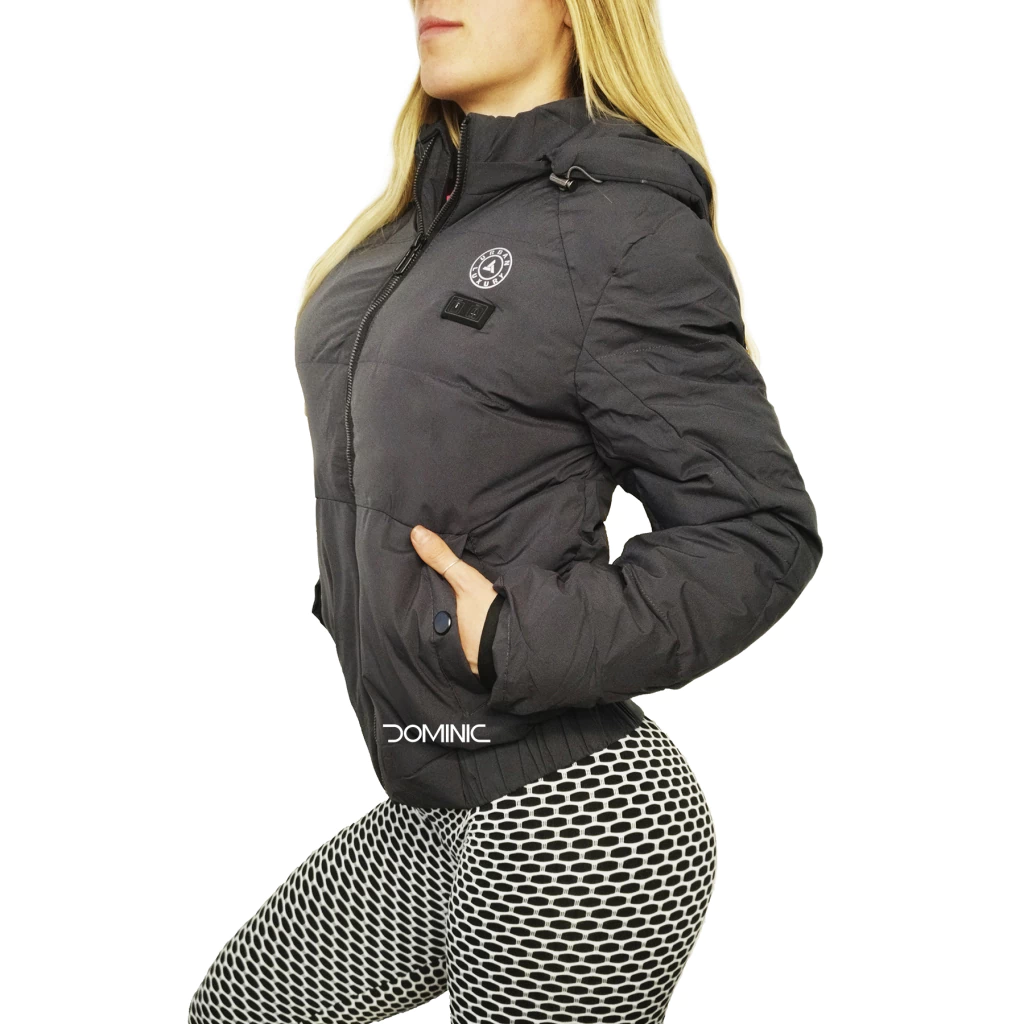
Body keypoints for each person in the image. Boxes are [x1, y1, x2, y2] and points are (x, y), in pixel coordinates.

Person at [188, 1, 823, 1021]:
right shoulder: (412, 227)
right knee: (237, 1010)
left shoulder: (621, 231)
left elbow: (757, 531)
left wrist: (508, 634)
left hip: (575, 822)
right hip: (437, 795)